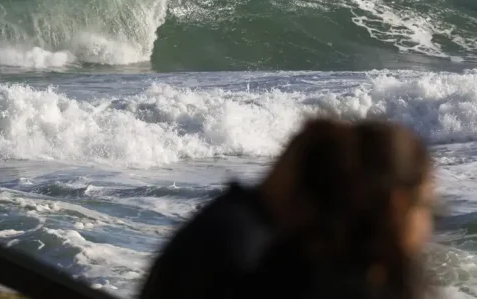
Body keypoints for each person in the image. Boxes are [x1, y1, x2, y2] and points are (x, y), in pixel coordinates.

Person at [139, 118, 435, 299]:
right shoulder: (251, 252)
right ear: (397, 205)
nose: (430, 223)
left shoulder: (233, 225)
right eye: (427, 206)